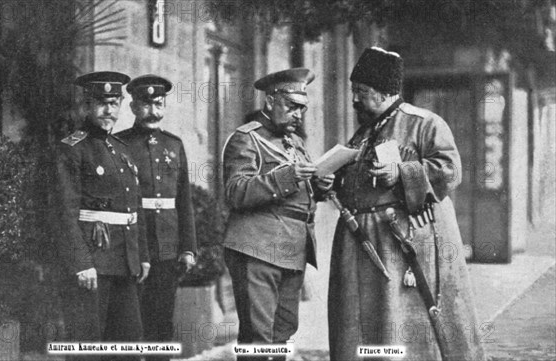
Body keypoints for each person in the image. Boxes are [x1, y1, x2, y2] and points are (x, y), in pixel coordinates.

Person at [328, 47, 486, 360]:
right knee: (360, 325)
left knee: (399, 321)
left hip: (400, 244)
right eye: (353, 91)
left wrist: (401, 173)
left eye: (361, 92)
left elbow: (451, 171)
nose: (354, 99)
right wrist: (328, 181)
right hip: (359, 243)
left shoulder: (424, 124)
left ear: (385, 91)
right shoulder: (363, 134)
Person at [222, 68, 334, 361]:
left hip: (292, 247)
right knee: (259, 339)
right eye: (292, 107)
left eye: (302, 109)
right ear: (270, 101)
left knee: (282, 333)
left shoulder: (295, 142)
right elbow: (236, 191)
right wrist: (287, 177)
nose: (299, 115)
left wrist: (319, 186)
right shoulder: (245, 139)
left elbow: (299, 192)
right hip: (257, 247)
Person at [56, 71, 150, 361]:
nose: (109, 110)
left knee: (128, 347)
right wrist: (81, 263)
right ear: (85, 106)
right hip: (92, 265)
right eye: (100, 103)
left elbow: (135, 208)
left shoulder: (122, 150)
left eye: (114, 102)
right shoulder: (72, 149)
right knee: (87, 349)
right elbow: (63, 212)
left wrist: (143, 254)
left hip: (125, 262)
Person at [117, 75, 197, 361]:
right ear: (133, 106)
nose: (153, 111)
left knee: (162, 324)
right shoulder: (120, 144)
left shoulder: (173, 145)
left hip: (167, 248)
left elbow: (183, 201)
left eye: (159, 104)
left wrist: (188, 248)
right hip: (131, 248)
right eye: (146, 104)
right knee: (129, 325)